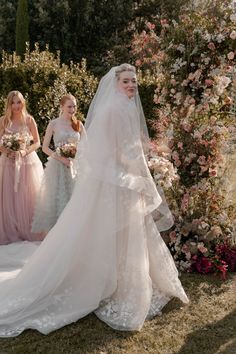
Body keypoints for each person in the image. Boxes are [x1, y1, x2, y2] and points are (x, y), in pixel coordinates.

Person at [0, 64, 189, 337]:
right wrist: (137, 166)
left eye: (134, 81)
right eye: (126, 81)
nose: (131, 86)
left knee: (129, 228)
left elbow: (131, 145)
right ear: (116, 84)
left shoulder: (127, 107)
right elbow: (110, 149)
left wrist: (145, 160)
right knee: (111, 227)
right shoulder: (112, 110)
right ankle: (108, 281)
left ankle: (130, 278)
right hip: (115, 179)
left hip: (125, 177)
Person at [31, 94, 85, 233]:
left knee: (75, 198)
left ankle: (74, 232)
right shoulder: (54, 123)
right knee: (57, 199)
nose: (72, 109)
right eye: (69, 106)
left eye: (74, 106)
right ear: (61, 107)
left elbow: (87, 146)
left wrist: (77, 156)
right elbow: (44, 148)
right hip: (58, 166)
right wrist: (61, 158)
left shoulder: (78, 124)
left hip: (76, 167)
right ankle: (57, 235)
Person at [0, 91, 44, 244]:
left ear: (23, 103)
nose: (16, 106)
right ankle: (11, 230)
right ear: (9, 105)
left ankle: (28, 230)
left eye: (19, 102)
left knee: (27, 196)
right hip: (8, 163)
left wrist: (24, 151)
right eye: (13, 103)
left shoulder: (29, 120)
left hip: (27, 162)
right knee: (10, 196)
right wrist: (7, 151)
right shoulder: (4, 121)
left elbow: (37, 142)